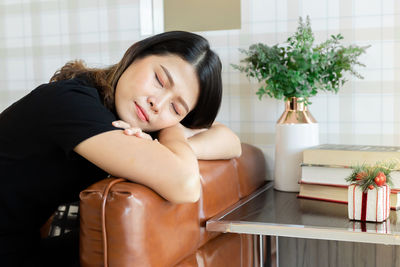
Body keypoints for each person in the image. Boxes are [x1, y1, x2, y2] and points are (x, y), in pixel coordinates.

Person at [0, 31, 241, 266]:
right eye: (159, 80)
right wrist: (175, 132)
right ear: (136, 53)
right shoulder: (71, 103)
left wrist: (173, 137)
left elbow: (231, 142)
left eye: (176, 108)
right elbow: (185, 186)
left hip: (20, 245)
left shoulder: (132, 121)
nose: (157, 103)